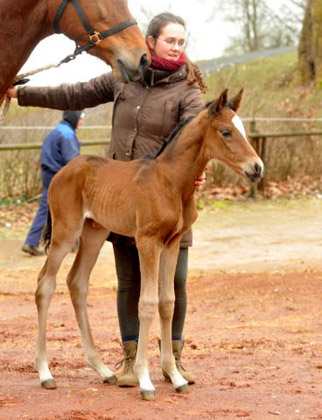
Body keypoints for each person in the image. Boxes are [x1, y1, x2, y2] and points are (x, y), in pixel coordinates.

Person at [7, 12, 206, 385]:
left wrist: (199, 170)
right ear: (150, 42)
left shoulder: (188, 91)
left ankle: (172, 357)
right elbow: (75, 93)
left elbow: (198, 137)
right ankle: (131, 358)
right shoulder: (124, 77)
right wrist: (21, 92)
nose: (177, 48)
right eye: (170, 41)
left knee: (174, 282)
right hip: (121, 195)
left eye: (182, 42)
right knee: (129, 280)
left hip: (168, 200)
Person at [22, 111, 84, 256]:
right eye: (80, 118)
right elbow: (73, 161)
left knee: (46, 207)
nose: (81, 122)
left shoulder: (57, 130)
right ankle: (71, 242)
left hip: (47, 173)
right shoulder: (67, 135)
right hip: (58, 176)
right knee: (69, 208)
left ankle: (32, 241)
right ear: (74, 118)